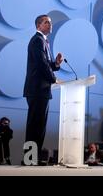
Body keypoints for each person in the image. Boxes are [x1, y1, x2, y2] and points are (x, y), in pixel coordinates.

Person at [24, 15, 63, 159]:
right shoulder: (37, 40)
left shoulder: (43, 41)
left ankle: (33, 158)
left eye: (51, 22)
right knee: (35, 126)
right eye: (47, 22)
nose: (50, 25)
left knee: (39, 127)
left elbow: (46, 64)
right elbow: (41, 65)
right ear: (38, 25)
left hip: (41, 90)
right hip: (37, 90)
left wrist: (56, 64)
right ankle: (30, 159)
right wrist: (54, 79)